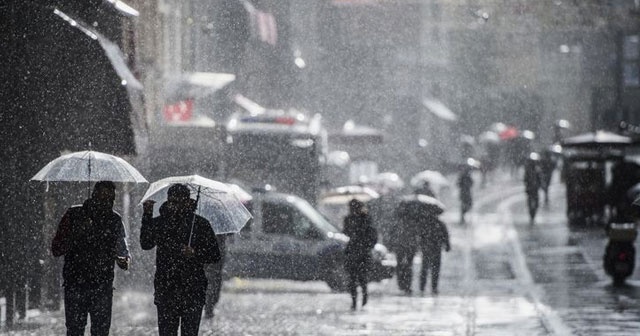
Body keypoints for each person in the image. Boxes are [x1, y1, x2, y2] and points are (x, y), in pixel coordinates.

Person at [51, 181, 131, 336]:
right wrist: (78, 233)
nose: (107, 203)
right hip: (75, 283)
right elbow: (56, 249)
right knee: (75, 330)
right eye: (103, 198)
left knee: (101, 331)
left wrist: (124, 260)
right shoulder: (74, 215)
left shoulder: (114, 220)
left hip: (102, 285)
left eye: (111, 199)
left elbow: (123, 252)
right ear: (94, 195)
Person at [141, 184, 221, 336]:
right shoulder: (160, 222)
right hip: (166, 287)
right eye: (173, 201)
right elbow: (146, 243)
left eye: (180, 201)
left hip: (193, 289)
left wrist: (195, 253)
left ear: (188, 202)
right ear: (168, 200)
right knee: (167, 332)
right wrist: (147, 216)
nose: (176, 205)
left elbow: (214, 255)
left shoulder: (200, 224)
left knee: (190, 332)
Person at [342, 199, 378, 311]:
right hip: (355, 252)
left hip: (360, 252)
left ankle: (362, 298)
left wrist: (366, 245)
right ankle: (356, 301)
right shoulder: (350, 219)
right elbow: (345, 232)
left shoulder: (365, 218)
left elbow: (372, 236)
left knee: (359, 278)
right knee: (354, 279)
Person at [418, 216, 451, 295]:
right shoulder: (440, 224)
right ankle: (434, 287)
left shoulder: (425, 223)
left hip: (427, 249)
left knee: (425, 268)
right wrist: (447, 245)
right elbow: (445, 236)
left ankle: (422, 287)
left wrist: (421, 245)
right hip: (436, 249)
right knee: (435, 269)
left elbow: (420, 236)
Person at [204, 233, 231, 319]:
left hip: (213, 259)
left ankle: (209, 304)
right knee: (214, 282)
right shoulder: (221, 228)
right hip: (214, 259)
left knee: (212, 281)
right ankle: (209, 305)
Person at [524, 153, 542, 224]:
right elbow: (525, 179)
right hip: (530, 189)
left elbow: (540, 178)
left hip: (535, 189)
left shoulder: (537, 169)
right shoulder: (528, 169)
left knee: (536, 202)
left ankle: (533, 212)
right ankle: (531, 213)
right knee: (530, 201)